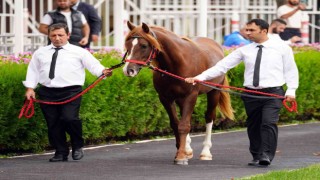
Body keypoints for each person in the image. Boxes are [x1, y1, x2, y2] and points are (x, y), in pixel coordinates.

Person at [185, 19, 299, 167]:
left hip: (273, 93)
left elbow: (291, 70)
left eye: (251, 30)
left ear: (263, 31)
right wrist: (199, 77)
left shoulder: (282, 48)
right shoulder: (245, 50)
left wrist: (291, 91)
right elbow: (222, 66)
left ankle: (266, 154)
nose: (247, 33)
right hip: (250, 93)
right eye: (246, 30)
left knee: (268, 123)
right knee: (253, 125)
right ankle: (256, 155)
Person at [23, 23, 112, 162]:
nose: (57, 38)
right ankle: (60, 152)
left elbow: (94, 65)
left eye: (60, 35)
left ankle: (77, 145)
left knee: (69, 118)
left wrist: (103, 71)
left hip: (71, 91)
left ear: (68, 35)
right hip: (47, 92)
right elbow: (33, 71)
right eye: (53, 35)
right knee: (53, 123)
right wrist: (30, 88)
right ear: (49, 36)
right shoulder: (40, 52)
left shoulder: (79, 51)